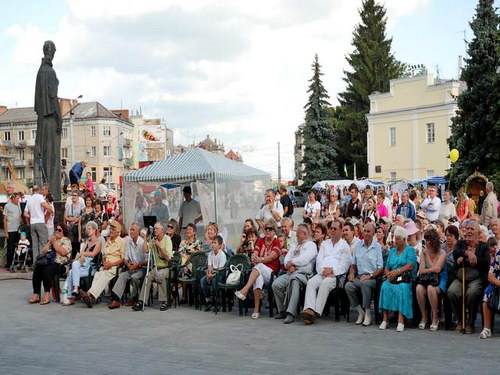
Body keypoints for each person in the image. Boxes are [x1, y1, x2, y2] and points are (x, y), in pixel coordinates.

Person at [300, 220, 351, 324]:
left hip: (336, 276)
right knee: (311, 282)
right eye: (331, 228)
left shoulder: (344, 246)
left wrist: (332, 270)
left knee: (325, 283)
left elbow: (345, 265)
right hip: (322, 272)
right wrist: (323, 271)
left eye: (335, 229)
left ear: (341, 231)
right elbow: (319, 260)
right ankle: (309, 308)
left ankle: (315, 312)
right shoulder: (324, 244)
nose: (332, 230)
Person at [447, 220, 490, 333]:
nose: (469, 231)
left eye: (472, 229)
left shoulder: (483, 246)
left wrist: (474, 260)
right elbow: (456, 252)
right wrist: (468, 253)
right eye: (468, 229)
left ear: (478, 232)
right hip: (460, 277)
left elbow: (486, 262)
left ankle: (470, 322)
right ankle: (461, 320)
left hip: (475, 279)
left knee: (472, 293)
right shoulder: (461, 243)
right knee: (452, 292)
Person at [235, 220, 281, 319]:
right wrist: (254, 257)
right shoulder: (261, 240)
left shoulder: (276, 242)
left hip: (272, 273)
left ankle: (245, 290)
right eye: (266, 228)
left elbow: (272, 257)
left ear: (274, 231)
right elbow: (255, 252)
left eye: (270, 228)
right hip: (259, 271)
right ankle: (256, 310)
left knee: (258, 266)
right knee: (258, 277)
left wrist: (260, 259)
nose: (268, 230)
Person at [273, 224, 317, 324]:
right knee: (276, 284)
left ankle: (291, 313)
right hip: (291, 271)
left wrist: (292, 262)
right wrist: (290, 265)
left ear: (305, 234)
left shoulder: (311, 245)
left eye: (298, 234)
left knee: (295, 280)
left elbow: (304, 260)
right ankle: (283, 310)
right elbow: (286, 259)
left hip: (303, 274)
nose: (296, 235)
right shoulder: (294, 245)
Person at [378, 226, 417, 332]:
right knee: (385, 286)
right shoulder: (392, 251)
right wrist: (388, 274)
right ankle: (385, 319)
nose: (396, 240)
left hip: (404, 279)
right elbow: (387, 267)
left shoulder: (410, 250)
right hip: (393, 278)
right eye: (395, 238)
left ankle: (401, 320)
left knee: (402, 288)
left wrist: (397, 271)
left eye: (398, 238)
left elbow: (410, 265)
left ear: (404, 240)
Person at [346, 222, 383, 326]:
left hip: (372, 277)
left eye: (368, 231)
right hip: (359, 276)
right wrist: (352, 274)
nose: (366, 234)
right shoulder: (358, 245)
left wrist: (370, 276)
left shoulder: (377, 247)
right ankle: (360, 311)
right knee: (348, 286)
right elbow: (353, 265)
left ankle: (367, 313)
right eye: (365, 231)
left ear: (373, 233)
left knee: (365, 284)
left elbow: (380, 268)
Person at [82, 221, 125, 307]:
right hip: (106, 266)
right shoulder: (107, 241)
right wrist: (104, 262)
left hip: (115, 267)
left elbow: (123, 259)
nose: (111, 231)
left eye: (113, 229)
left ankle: (89, 294)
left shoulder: (121, 242)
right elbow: (104, 255)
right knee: (98, 274)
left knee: (105, 275)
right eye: (110, 229)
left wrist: (111, 264)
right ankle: (90, 297)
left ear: (118, 232)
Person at [132, 222, 173, 311]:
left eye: (156, 228)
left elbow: (168, 257)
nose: (154, 230)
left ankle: (164, 301)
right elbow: (145, 250)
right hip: (156, 267)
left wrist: (159, 247)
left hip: (166, 267)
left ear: (162, 230)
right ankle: (142, 301)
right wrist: (146, 238)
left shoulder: (167, 240)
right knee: (147, 277)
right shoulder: (154, 240)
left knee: (160, 275)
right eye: (154, 228)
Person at [28, 223, 71, 305]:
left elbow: (63, 252)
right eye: (56, 230)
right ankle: (36, 294)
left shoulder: (66, 240)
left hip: (61, 264)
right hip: (49, 262)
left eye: (59, 230)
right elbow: (43, 252)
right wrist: (49, 243)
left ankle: (47, 295)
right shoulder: (53, 240)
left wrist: (54, 243)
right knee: (37, 268)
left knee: (46, 270)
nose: (57, 231)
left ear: (63, 232)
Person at [62, 221, 102, 305]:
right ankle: (75, 288)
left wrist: (82, 254)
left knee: (71, 272)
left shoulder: (98, 242)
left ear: (95, 230)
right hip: (83, 265)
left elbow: (93, 254)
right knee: (74, 265)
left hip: (91, 267)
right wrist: (79, 257)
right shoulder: (87, 242)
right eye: (87, 229)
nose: (88, 230)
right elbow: (80, 254)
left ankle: (71, 296)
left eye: (89, 229)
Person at [108, 223, 147, 309]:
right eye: (130, 229)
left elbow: (147, 261)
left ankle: (133, 297)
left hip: (141, 267)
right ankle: (116, 300)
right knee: (122, 275)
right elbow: (125, 257)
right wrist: (128, 264)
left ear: (138, 232)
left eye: (133, 230)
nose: (131, 231)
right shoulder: (129, 242)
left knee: (134, 277)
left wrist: (138, 264)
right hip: (132, 266)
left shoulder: (142, 243)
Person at [415, 228, 447, 331]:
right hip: (427, 279)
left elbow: (437, 270)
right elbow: (422, 270)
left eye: (429, 240)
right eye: (426, 240)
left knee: (430, 288)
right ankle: (424, 316)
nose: (427, 243)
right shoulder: (424, 252)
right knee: (419, 288)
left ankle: (435, 317)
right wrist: (431, 269)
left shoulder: (442, 253)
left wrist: (426, 257)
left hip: (440, 279)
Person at [201, 235, 227, 311]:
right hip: (212, 272)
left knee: (214, 281)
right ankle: (209, 300)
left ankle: (217, 300)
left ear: (219, 245)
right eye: (212, 242)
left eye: (215, 243)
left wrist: (211, 276)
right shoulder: (210, 254)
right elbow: (209, 266)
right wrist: (208, 275)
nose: (212, 244)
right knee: (202, 281)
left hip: (220, 274)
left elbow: (220, 270)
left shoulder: (222, 255)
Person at [479, 245, 500, 338]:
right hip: (498, 283)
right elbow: (490, 275)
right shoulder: (499, 254)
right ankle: (487, 329)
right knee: (488, 293)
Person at [24, 185, 50, 260]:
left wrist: (32, 216)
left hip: (32, 223)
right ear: (38, 190)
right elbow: (43, 204)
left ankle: (35, 263)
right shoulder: (40, 197)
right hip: (40, 222)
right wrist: (50, 208)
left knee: (34, 245)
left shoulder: (30, 199)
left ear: (32, 191)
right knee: (43, 243)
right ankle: (42, 261)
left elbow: (25, 213)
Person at [3, 193, 23, 269]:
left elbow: (20, 216)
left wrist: (22, 225)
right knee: (10, 248)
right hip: (10, 230)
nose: (18, 200)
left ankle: (17, 263)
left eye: (19, 198)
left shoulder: (18, 205)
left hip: (18, 230)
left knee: (18, 247)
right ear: (13, 198)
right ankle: (9, 263)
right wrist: (6, 232)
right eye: (17, 198)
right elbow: (4, 220)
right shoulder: (7, 206)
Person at [64, 190, 84, 258]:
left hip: (78, 227)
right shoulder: (69, 206)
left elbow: (82, 216)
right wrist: (71, 220)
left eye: (75, 195)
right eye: (73, 195)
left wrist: (74, 221)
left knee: (78, 244)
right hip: (70, 227)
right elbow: (65, 216)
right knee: (71, 244)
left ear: (78, 197)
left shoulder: (81, 205)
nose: (74, 197)